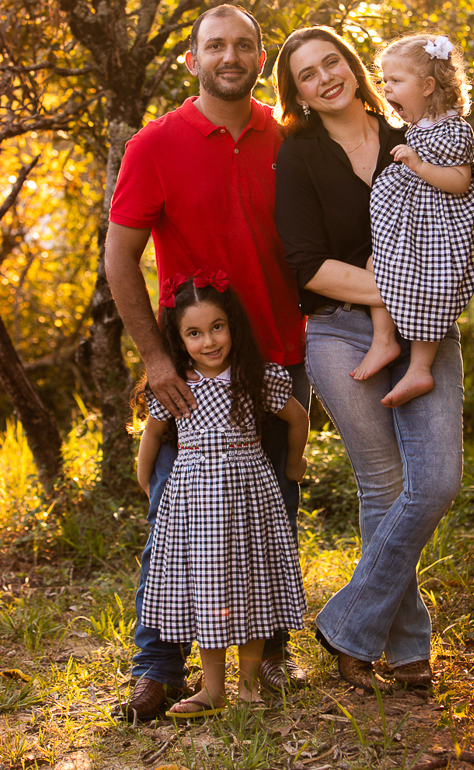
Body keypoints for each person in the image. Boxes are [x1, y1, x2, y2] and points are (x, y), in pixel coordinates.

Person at [105, 4, 308, 721]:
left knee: (270, 520)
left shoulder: (287, 139)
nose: (231, 54)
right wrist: (157, 359)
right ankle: (156, 669)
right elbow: (119, 258)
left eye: (244, 45)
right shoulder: (154, 145)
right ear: (191, 60)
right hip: (193, 372)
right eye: (215, 44)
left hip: (280, 355)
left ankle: (267, 661)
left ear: (261, 58)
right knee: (171, 527)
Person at [273, 25, 464, 691]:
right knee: (383, 487)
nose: (326, 78)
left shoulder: (407, 139)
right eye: (307, 74)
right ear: (295, 92)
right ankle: (409, 654)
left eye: (333, 63)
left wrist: (427, 290)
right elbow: (306, 267)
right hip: (337, 334)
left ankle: (348, 625)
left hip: (425, 331)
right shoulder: (297, 156)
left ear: (352, 67)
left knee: (435, 482)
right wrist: (406, 283)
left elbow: (455, 222)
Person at [136, 273, 308, 717]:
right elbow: (152, 437)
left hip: (250, 495)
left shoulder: (255, 377)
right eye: (194, 333)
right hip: (196, 503)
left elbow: (298, 418)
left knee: (252, 586)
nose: (209, 341)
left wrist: (293, 465)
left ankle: (249, 686)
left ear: (232, 326)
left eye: (217, 327)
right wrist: (147, 482)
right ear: (179, 339)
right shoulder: (176, 384)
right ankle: (213, 690)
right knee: (207, 590)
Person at [352, 32, 474, 408]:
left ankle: (420, 367)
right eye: (384, 80)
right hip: (414, 230)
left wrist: (417, 165)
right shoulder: (420, 126)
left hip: (438, 234)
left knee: (432, 287)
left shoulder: (453, 129)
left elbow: (459, 182)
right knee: (376, 265)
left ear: (428, 85)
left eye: (395, 81)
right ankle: (384, 341)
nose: (386, 89)